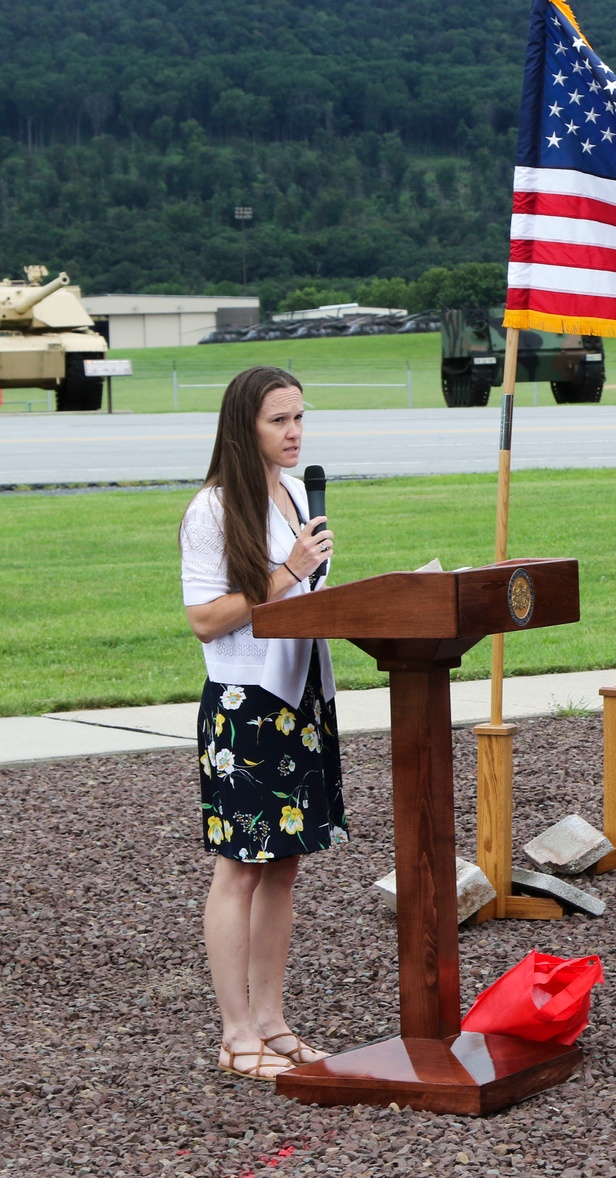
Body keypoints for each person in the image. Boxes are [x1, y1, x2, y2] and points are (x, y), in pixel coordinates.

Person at [179, 366, 348, 1081]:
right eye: (279, 420)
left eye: (300, 418)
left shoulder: (289, 495)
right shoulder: (213, 510)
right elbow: (205, 620)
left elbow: (303, 596)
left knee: (283, 869)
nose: (294, 432)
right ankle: (235, 1031)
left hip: (302, 699)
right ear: (243, 427)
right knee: (239, 872)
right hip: (247, 707)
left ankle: (273, 1021)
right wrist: (287, 571)